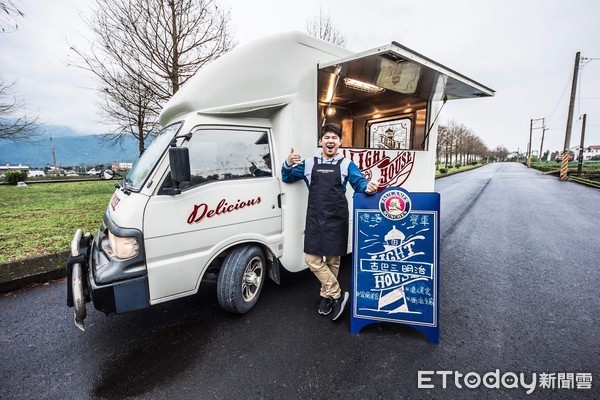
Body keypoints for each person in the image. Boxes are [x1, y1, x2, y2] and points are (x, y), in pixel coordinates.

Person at [282, 123, 379, 321]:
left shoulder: (346, 164)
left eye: (334, 138)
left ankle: (326, 297)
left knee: (333, 261)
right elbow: (287, 176)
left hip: (337, 218)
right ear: (320, 141)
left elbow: (359, 183)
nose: (330, 141)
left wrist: (369, 187)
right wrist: (288, 162)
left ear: (340, 142)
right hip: (315, 218)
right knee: (312, 259)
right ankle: (336, 293)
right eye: (326, 137)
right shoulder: (309, 163)